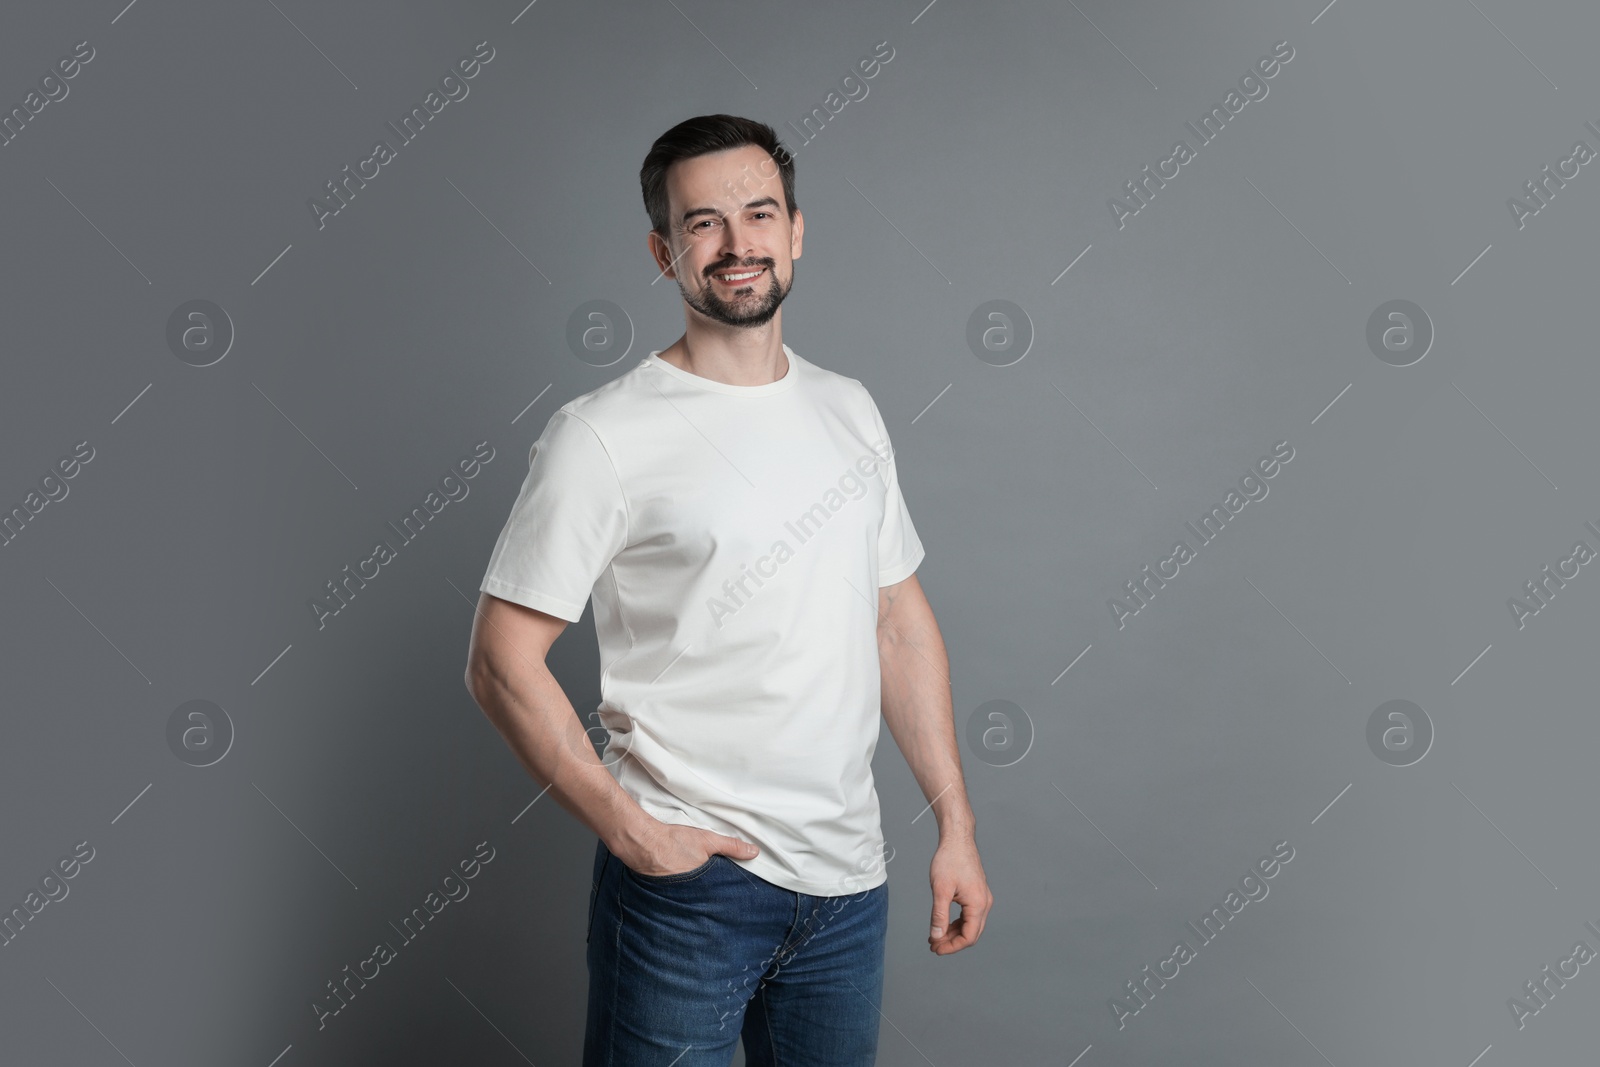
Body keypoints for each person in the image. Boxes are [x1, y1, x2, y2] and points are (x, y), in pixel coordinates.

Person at [464, 113, 992, 1066]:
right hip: (689, 896)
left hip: (848, 888)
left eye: (759, 213)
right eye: (704, 223)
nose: (739, 244)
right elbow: (501, 663)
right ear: (664, 253)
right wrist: (631, 831)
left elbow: (897, 625)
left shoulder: (850, 409)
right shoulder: (602, 435)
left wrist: (954, 823)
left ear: (798, 230)